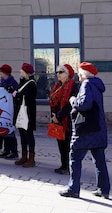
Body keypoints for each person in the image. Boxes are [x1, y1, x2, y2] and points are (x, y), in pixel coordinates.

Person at [59, 62, 110, 199]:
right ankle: (104, 190)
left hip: (85, 131)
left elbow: (84, 104)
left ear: (83, 74)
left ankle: (73, 189)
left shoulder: (86, 84)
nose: (78, 75)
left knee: (74, 158)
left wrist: (73, 100)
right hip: (98, 129)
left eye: (79, 73)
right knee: (99, 161)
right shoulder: (97, 85)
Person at [49, 64, 78, 175]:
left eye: (61, 72)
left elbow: (70, 105)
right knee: (61, 143)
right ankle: (63, 165)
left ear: (67, 74)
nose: (58, 75)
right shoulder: (57, 86)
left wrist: (59, 116)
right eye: (57, 72)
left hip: (67, 120)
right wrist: (54, 115)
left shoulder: (73, 86)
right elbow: (52, 101)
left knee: (68, 144)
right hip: (57, 119)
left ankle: (69, 167)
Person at [10, 63, 37, 167]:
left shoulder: (31, 83)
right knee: (22, 135)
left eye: (22, 70)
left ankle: (31, 158)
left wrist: (15, 93)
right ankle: (24, 155)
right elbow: (18, 94)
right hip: (21, 112)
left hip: (27, 113)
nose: (20, 72)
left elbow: (25, 97)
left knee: (29, 135)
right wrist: (14, 93)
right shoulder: (23, 82)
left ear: (26, 72)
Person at [0, 64, 19, 159]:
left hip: (10, 110)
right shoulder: (2, 82)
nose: (0, 73)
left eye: (1, 71)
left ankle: (14, 151)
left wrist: (12, 91)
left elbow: (17, 95)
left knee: (10, 132)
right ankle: (6, 150)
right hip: (2, 110)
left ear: (5, 73)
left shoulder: (13, 83)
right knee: (4, 131)